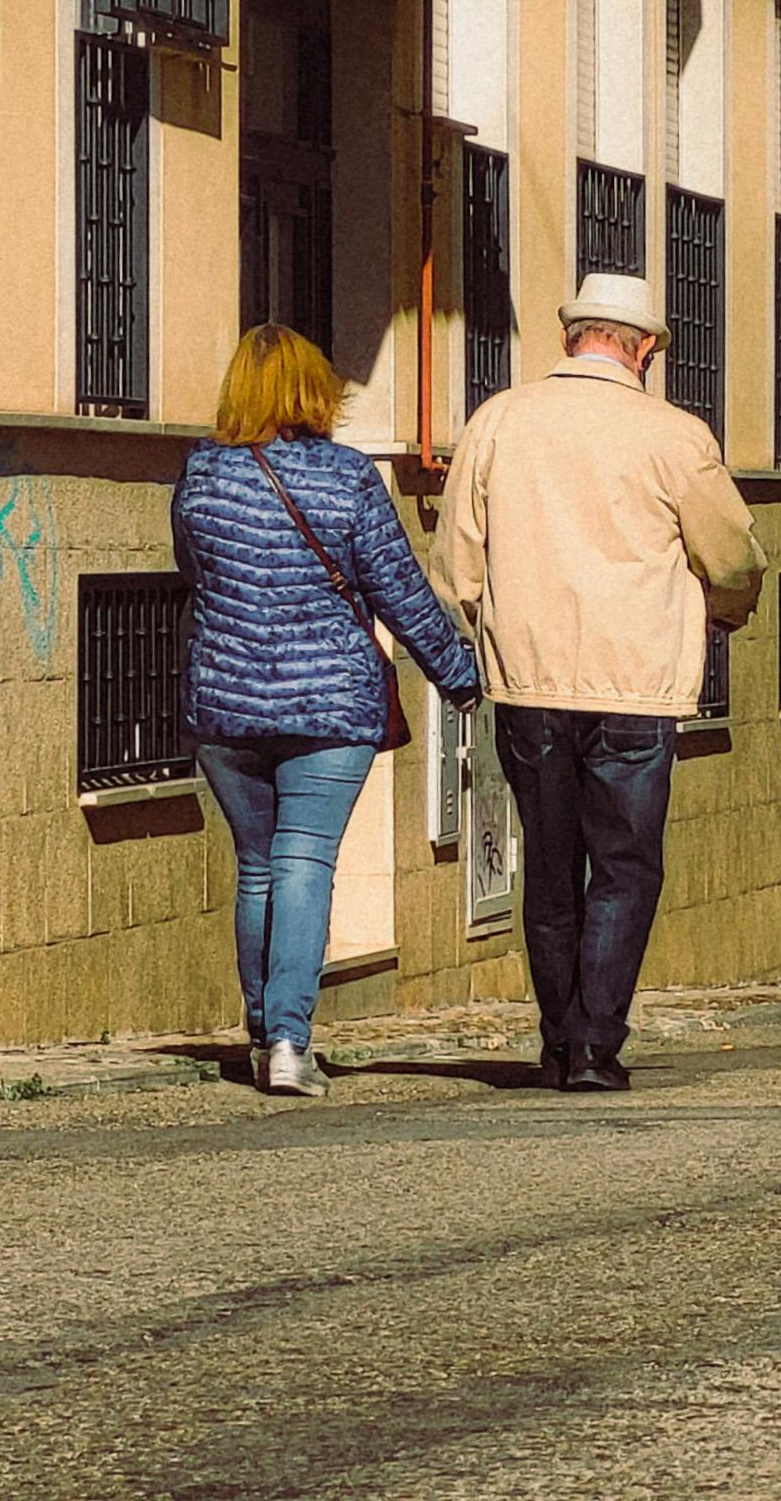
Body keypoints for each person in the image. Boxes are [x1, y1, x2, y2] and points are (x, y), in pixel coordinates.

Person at [435, 269, 765, 1092]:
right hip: (636, 682)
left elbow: (454, 565)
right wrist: (726, 608)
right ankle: (595, 1043)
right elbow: (729, 553)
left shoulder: (499, 420)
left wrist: (484, 631)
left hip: (528, 681)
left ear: (567, 338)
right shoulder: (673, 435)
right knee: (624, 864)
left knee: (548, 865)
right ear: (645, 348)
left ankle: (557, 1039)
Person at [174, 322, 481, 1098]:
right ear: (315, 392)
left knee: (256, 869)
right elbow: (397, 591)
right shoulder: (346, 479)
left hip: (227, 701)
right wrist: (459, 676)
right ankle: (289, 1042)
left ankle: (259, 1033)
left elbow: (193, 572)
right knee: (303, 861)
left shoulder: (201, 476)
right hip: (329, 705)